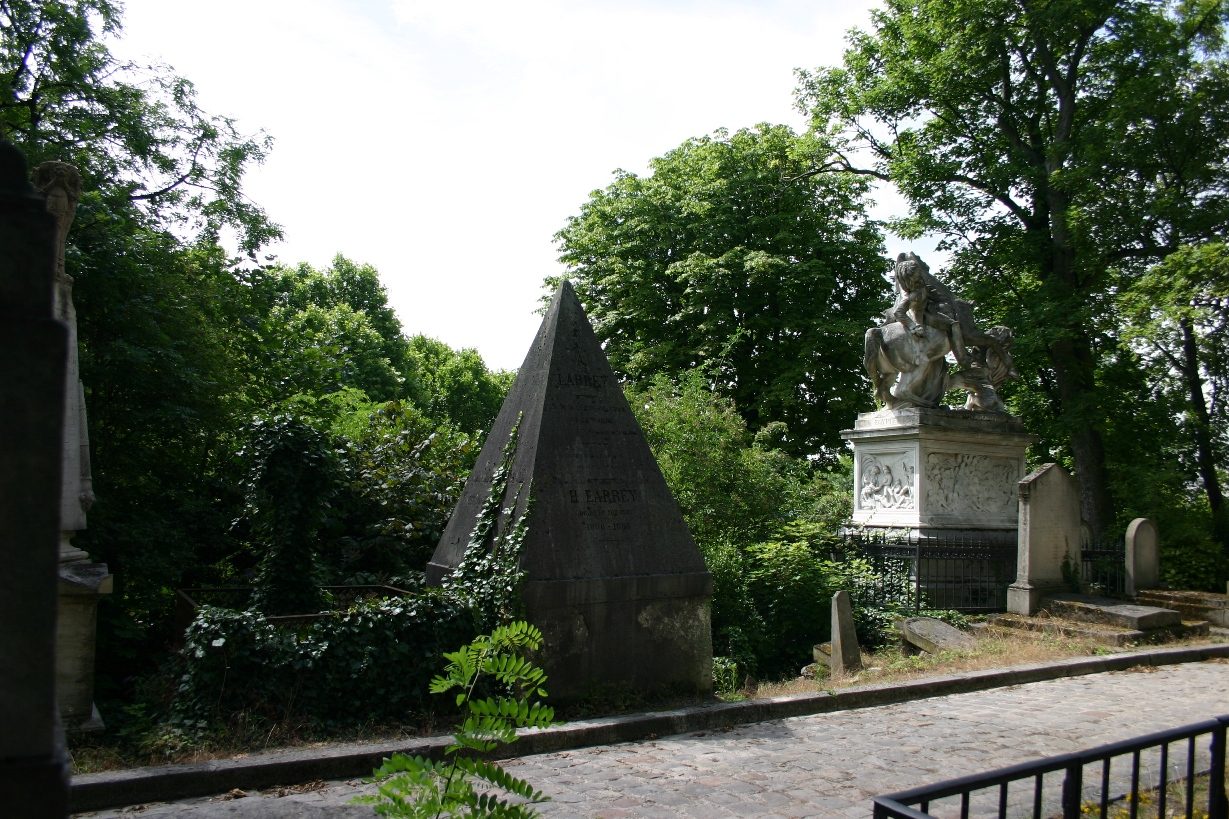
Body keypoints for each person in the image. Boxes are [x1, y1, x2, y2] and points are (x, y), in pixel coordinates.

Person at [890, 252, 972, 368]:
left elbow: (933, 294)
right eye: (917, 274)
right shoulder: (910, 296)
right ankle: (962, 358)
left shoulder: (919, 285)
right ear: (910, 276)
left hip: (928, 309)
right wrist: (913, 327)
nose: (919, 275)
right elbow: (898, 312)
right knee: (953, 324)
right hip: (922, 316)